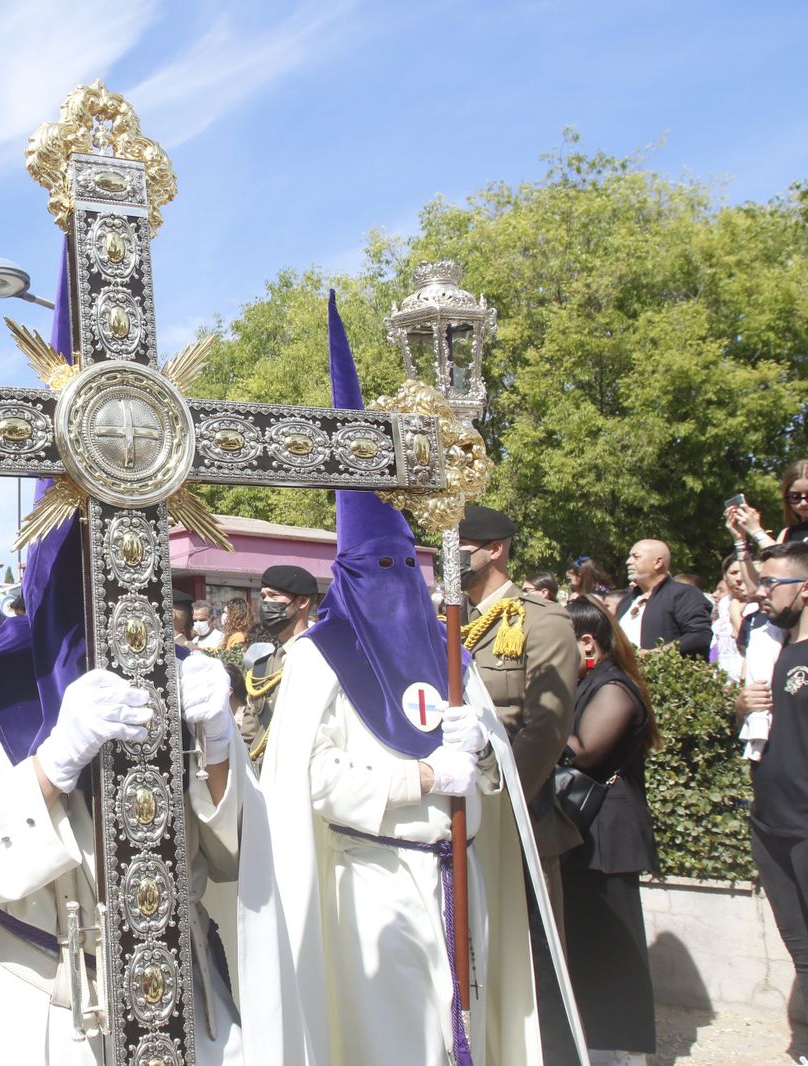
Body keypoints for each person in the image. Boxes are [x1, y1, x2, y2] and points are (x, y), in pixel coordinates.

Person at [245, 294, 585, 1066]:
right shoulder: (316, 656)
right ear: (348, 576)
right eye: (379, 569)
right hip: (368, 887)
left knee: (458, 1038)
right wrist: (420, 775)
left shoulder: (446, 645)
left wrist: (485, 755)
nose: (397, 579)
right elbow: (312, 780)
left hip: (457, 882)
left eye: (408, 565)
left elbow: (489, 775)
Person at [0, 512, 265, 1064]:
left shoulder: (189, 675)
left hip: (190, 1002)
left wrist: (217, 750)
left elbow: (238, 858)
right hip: (43, 1007)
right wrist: (52, 767)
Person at [459, 505, 582, 927]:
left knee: (534, 959)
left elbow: (547, 726)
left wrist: (502, 801)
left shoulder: (540, 620)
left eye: (460, 549)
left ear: (494, 550)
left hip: (517, 812)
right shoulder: (452, 621)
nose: (448, 560)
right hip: (458, 810)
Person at [559, 596, 661, 1064]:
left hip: (609, 832)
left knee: (615, 946)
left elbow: (584, 752)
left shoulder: (614, 688)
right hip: (583, 831)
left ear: (586, 642)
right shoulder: (585, 683)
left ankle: (627, 1048)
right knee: (587, 942)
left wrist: (531, 716)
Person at [745, 541, 808, 1066]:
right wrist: (740, 708)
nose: (760, 590)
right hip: (771, 820)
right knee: (802, 948)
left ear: (807, 588)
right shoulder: (779, 647)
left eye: (771, 583)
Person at [235, 564, 318, 769]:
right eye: (263, 597)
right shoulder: (263, 667)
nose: (265, 603)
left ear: (302, 601)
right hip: (263, 773)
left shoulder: (321, 658)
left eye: (274, 596)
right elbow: (249, 733)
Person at [614, 540, 713, 657]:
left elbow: (699, 636)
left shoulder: (684, 594)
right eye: (630, 557)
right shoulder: (626, 601)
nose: (628, 562)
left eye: (636, 557)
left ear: (658, 562)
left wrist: (654, 654)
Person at [714, 554, 752, 679]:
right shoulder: (724, 603)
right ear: (725, 576)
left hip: (745, 680)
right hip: (723, 681)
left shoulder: (757, 605)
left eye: (744, 572)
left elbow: (747, 644)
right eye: (734, 572)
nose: (739, 578)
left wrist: (735, 614)